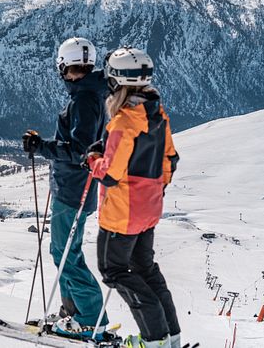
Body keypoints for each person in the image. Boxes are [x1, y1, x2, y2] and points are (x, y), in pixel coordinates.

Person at [83, 47, 181, 348]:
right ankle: (170, 336)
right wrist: (154, 190)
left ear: (116, 83)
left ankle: (153, 339)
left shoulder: (124, 123)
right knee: (145, 269)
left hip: (122, 214)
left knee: (113, 270)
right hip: (148, 209)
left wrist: (93, 159)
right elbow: (170, 160)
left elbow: (110, 174)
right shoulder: (157, 115)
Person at [23, 37, 109, 339]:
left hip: (73, 189)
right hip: (74, 188)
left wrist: (42, 147)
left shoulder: (84, 99)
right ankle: (73, 313)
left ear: (63, 66)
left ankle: (89, 319)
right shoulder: (91, 93)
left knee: (64, 254)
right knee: (65, 251)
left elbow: (80, 151)